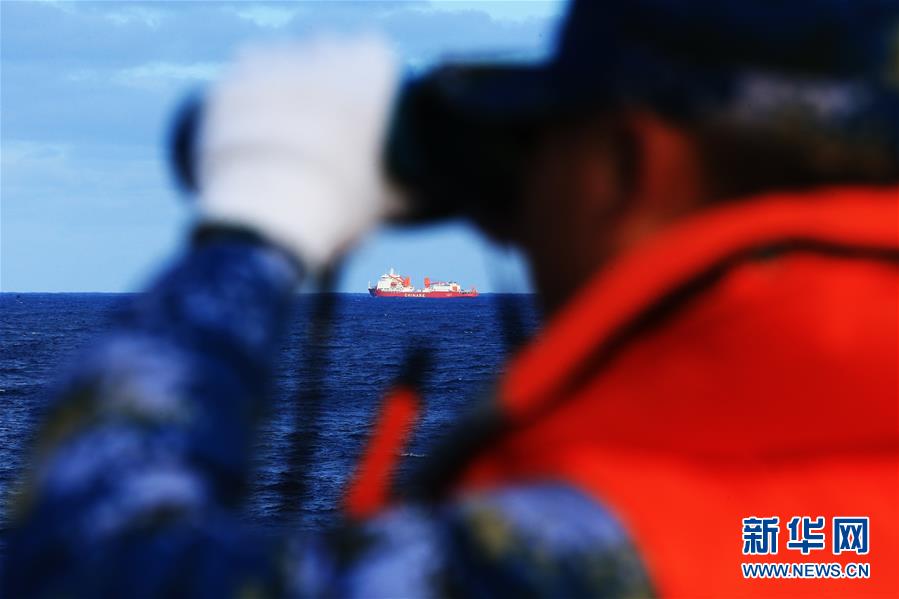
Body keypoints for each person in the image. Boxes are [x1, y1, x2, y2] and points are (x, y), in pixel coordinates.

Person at [5, 1, 898, 596]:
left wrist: (258, 216)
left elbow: (87, 565)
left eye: (547, 147)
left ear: (628, 165)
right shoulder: (826, 538)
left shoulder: (584, 554)